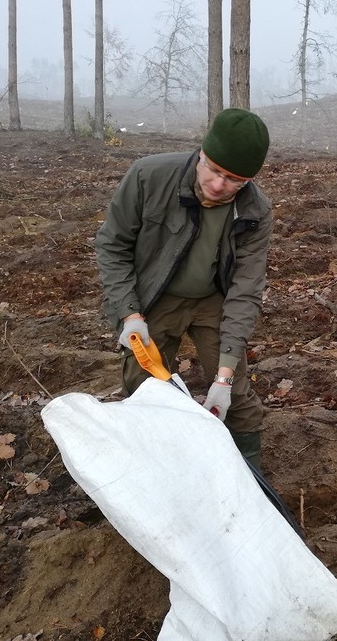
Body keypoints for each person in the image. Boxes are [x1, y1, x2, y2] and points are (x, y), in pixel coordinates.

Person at [94, 108, 272, 471]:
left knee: (235, 395)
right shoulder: (149, 177)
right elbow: (113, 246)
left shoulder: (255, 210)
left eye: (235, 179)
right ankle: (155, 466)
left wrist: (223, 377)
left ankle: (248, 475)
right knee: (143, 387)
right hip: (155, 296)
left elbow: (246, 290)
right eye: (214, 169)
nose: (220, 185)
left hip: (211, 299)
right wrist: (130, 314)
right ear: (201, 153)